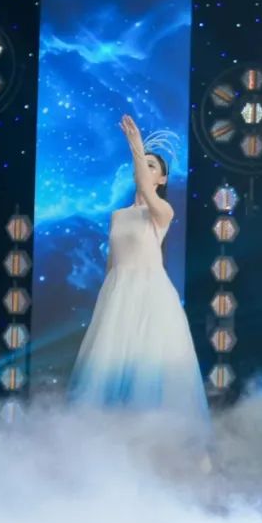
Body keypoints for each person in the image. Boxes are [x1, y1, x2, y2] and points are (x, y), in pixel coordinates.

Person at [69, 115, 207, 426]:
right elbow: (112, 264)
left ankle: (154, 437)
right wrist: (106, 300)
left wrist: (135, 145)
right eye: (142, 163)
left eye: (151, 165)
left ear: (162, 180)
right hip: (119, 293)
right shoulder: (119, 215)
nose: (144, 168)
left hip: (150, 293)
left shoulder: (161, 211)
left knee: (148, 369)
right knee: (109, 367)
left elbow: (145, 187)